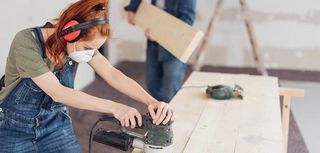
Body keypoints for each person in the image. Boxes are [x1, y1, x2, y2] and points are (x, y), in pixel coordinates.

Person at [0, 0, 174, 152]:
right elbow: (57, 92)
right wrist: (116, 107)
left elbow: (113, 75)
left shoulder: (78, 45)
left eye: (94, 50)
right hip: (14, 128)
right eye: (86, 48)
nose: (89, 54)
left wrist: (151, 101)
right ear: (69, 33)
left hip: (55, 123)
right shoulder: (26, 42)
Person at [124, 0, 196, 103]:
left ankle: (170, 114)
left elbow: (188, 19)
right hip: (154, 43)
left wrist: (161, 32)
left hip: (174, 45)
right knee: (152, 84)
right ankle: (160, 113)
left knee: (170, 88)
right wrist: (132, 8)